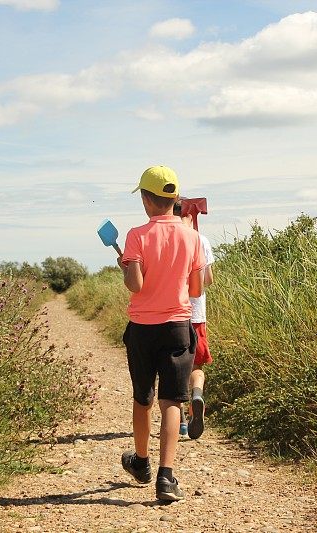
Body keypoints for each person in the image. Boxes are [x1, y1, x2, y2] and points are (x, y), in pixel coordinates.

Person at [118, 165, 205, 502]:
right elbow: (196, 288)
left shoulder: (136, 236)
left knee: (144, 398)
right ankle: (166, 478)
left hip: (142, 329)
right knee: (173, 400)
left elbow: (135, 285)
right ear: (175, 200)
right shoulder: (192, 237)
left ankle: (141, 463)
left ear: (145, 199)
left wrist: (127, 268)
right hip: (178, 327)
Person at [174, 199, 214, 440]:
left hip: (172, 314)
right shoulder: (202, 240)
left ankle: (180, 423)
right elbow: (208, 279)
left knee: (172, 370)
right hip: (197, 316)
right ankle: (196, 396)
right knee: (196, 368)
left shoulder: (168, 237)